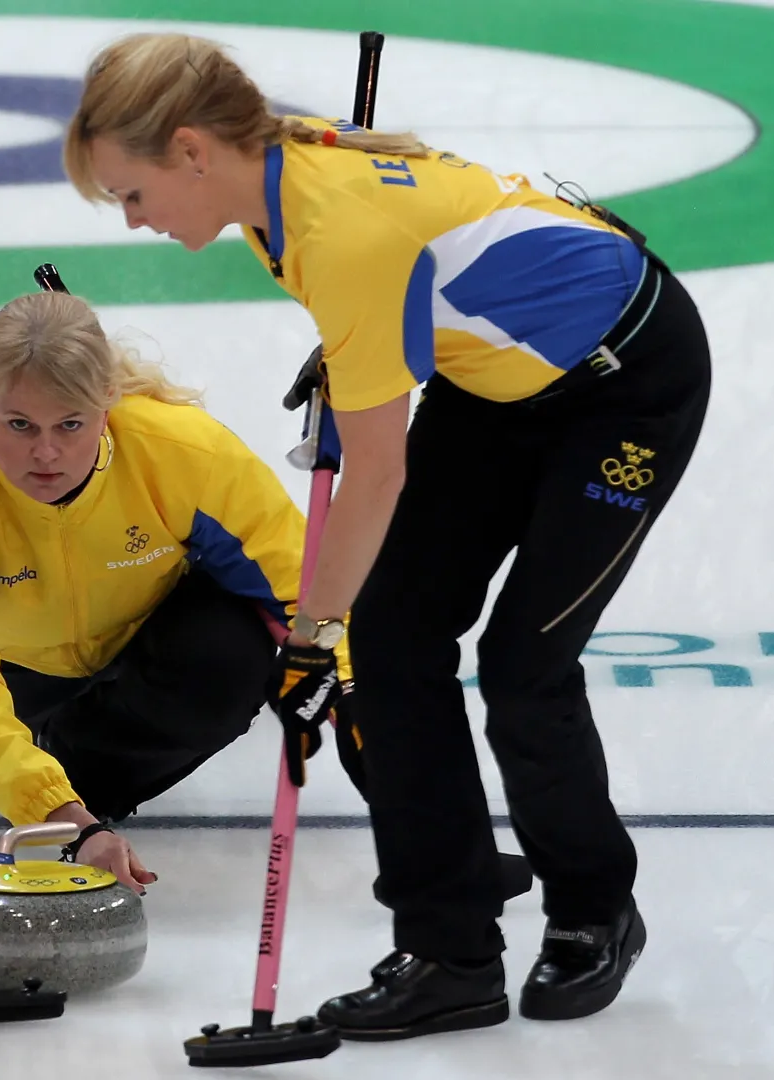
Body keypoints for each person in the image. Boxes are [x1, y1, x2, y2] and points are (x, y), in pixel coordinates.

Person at [65, 34, 712, 1039]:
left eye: (132, 193)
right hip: (492, 382)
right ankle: (451, 951)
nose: (135, 220)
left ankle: (593, 907)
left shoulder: (337, 230)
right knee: (396, 642)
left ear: (191, 150)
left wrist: (308, 637)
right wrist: (359, 348)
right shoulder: (274, 197)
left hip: (623, 387)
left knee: (524, 667)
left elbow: (377, 472)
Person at [0, 289, 345, 890]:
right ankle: (51, 773)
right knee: (16, 754)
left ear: (107, 406)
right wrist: (66, 820)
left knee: (234, 653)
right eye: (19, 425)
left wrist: (358, 701)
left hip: (147, 645)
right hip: (17, 675)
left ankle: (77, 770)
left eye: (70, 424)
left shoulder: (180, 451)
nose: (46, 453)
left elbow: (309, 590)